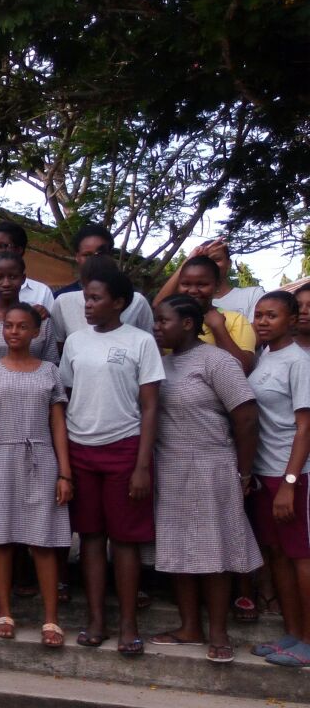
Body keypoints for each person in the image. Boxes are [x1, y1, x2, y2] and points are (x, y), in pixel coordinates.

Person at [58, 256, 163, 654]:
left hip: (124, 449)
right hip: (81, 450)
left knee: (124, 540)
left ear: (119, 302)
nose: (87, 305)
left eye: (96, 298)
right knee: (90, 537)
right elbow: (68, 396)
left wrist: (142, 466)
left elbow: (150, 407)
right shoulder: (75, 341)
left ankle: (128, 624)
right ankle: (96, 619)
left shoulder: (141, 342)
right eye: (86, 298)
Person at [150, 295, 262, 663]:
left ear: (187, 323)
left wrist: (244, 472)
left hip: (211, 466)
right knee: (178, 548)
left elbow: (246, 417)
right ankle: (189, 628)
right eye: (155, 320)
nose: (156, 327)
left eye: (163, 320)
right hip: (170, 467)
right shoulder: (160, 363)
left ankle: (218, 632)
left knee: (215, 551)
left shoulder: (217, 361)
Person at [0, 303, 73, 646]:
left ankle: (51, 618)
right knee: (0, 540)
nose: (13, 331)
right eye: (9, 326)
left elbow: (57, 423)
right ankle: (4, 611)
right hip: (0, 457)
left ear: (36, 332)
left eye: (22, 326)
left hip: (41, 459)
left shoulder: (50, 371)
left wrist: (65, 473)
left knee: (42, 540)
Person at [248, 291, 310, 667]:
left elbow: (305, 427)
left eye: (272, 315)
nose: (262, 321)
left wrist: (289, 481)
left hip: (294, 475)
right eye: (258, 315)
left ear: (292, 320)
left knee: (301, 556)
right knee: (277, 555)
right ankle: (292, 633)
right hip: (264, 473)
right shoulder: (264, 356)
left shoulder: (299, 362)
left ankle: (309, 640)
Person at [50, 228, 154, 346]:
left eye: (100, 254)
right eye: (87, 255)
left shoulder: (137, 302)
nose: (94, 260)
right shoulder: (62, 301)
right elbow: (58, 348)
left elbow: (150, 345)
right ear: (77, 257)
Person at [158, 256, 256, 373]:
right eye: (185, 284)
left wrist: (219, 328)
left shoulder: (235, 320)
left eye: (202, 284)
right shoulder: (166, 322)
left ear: (217, 285)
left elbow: (244, 369)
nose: (193, 290)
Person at [0, 252, 59, 364]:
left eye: (13, 277)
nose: (6, 283)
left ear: (23, 279)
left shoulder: (40, 321)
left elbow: (52, 364)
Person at [157, 239, 265, 321]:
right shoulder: (189, 298)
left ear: (229, 263)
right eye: (204, 260)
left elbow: (256, 336)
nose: (209, 264)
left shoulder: (252, 294)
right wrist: (189, 260)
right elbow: (158, 306)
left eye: (216, 259)